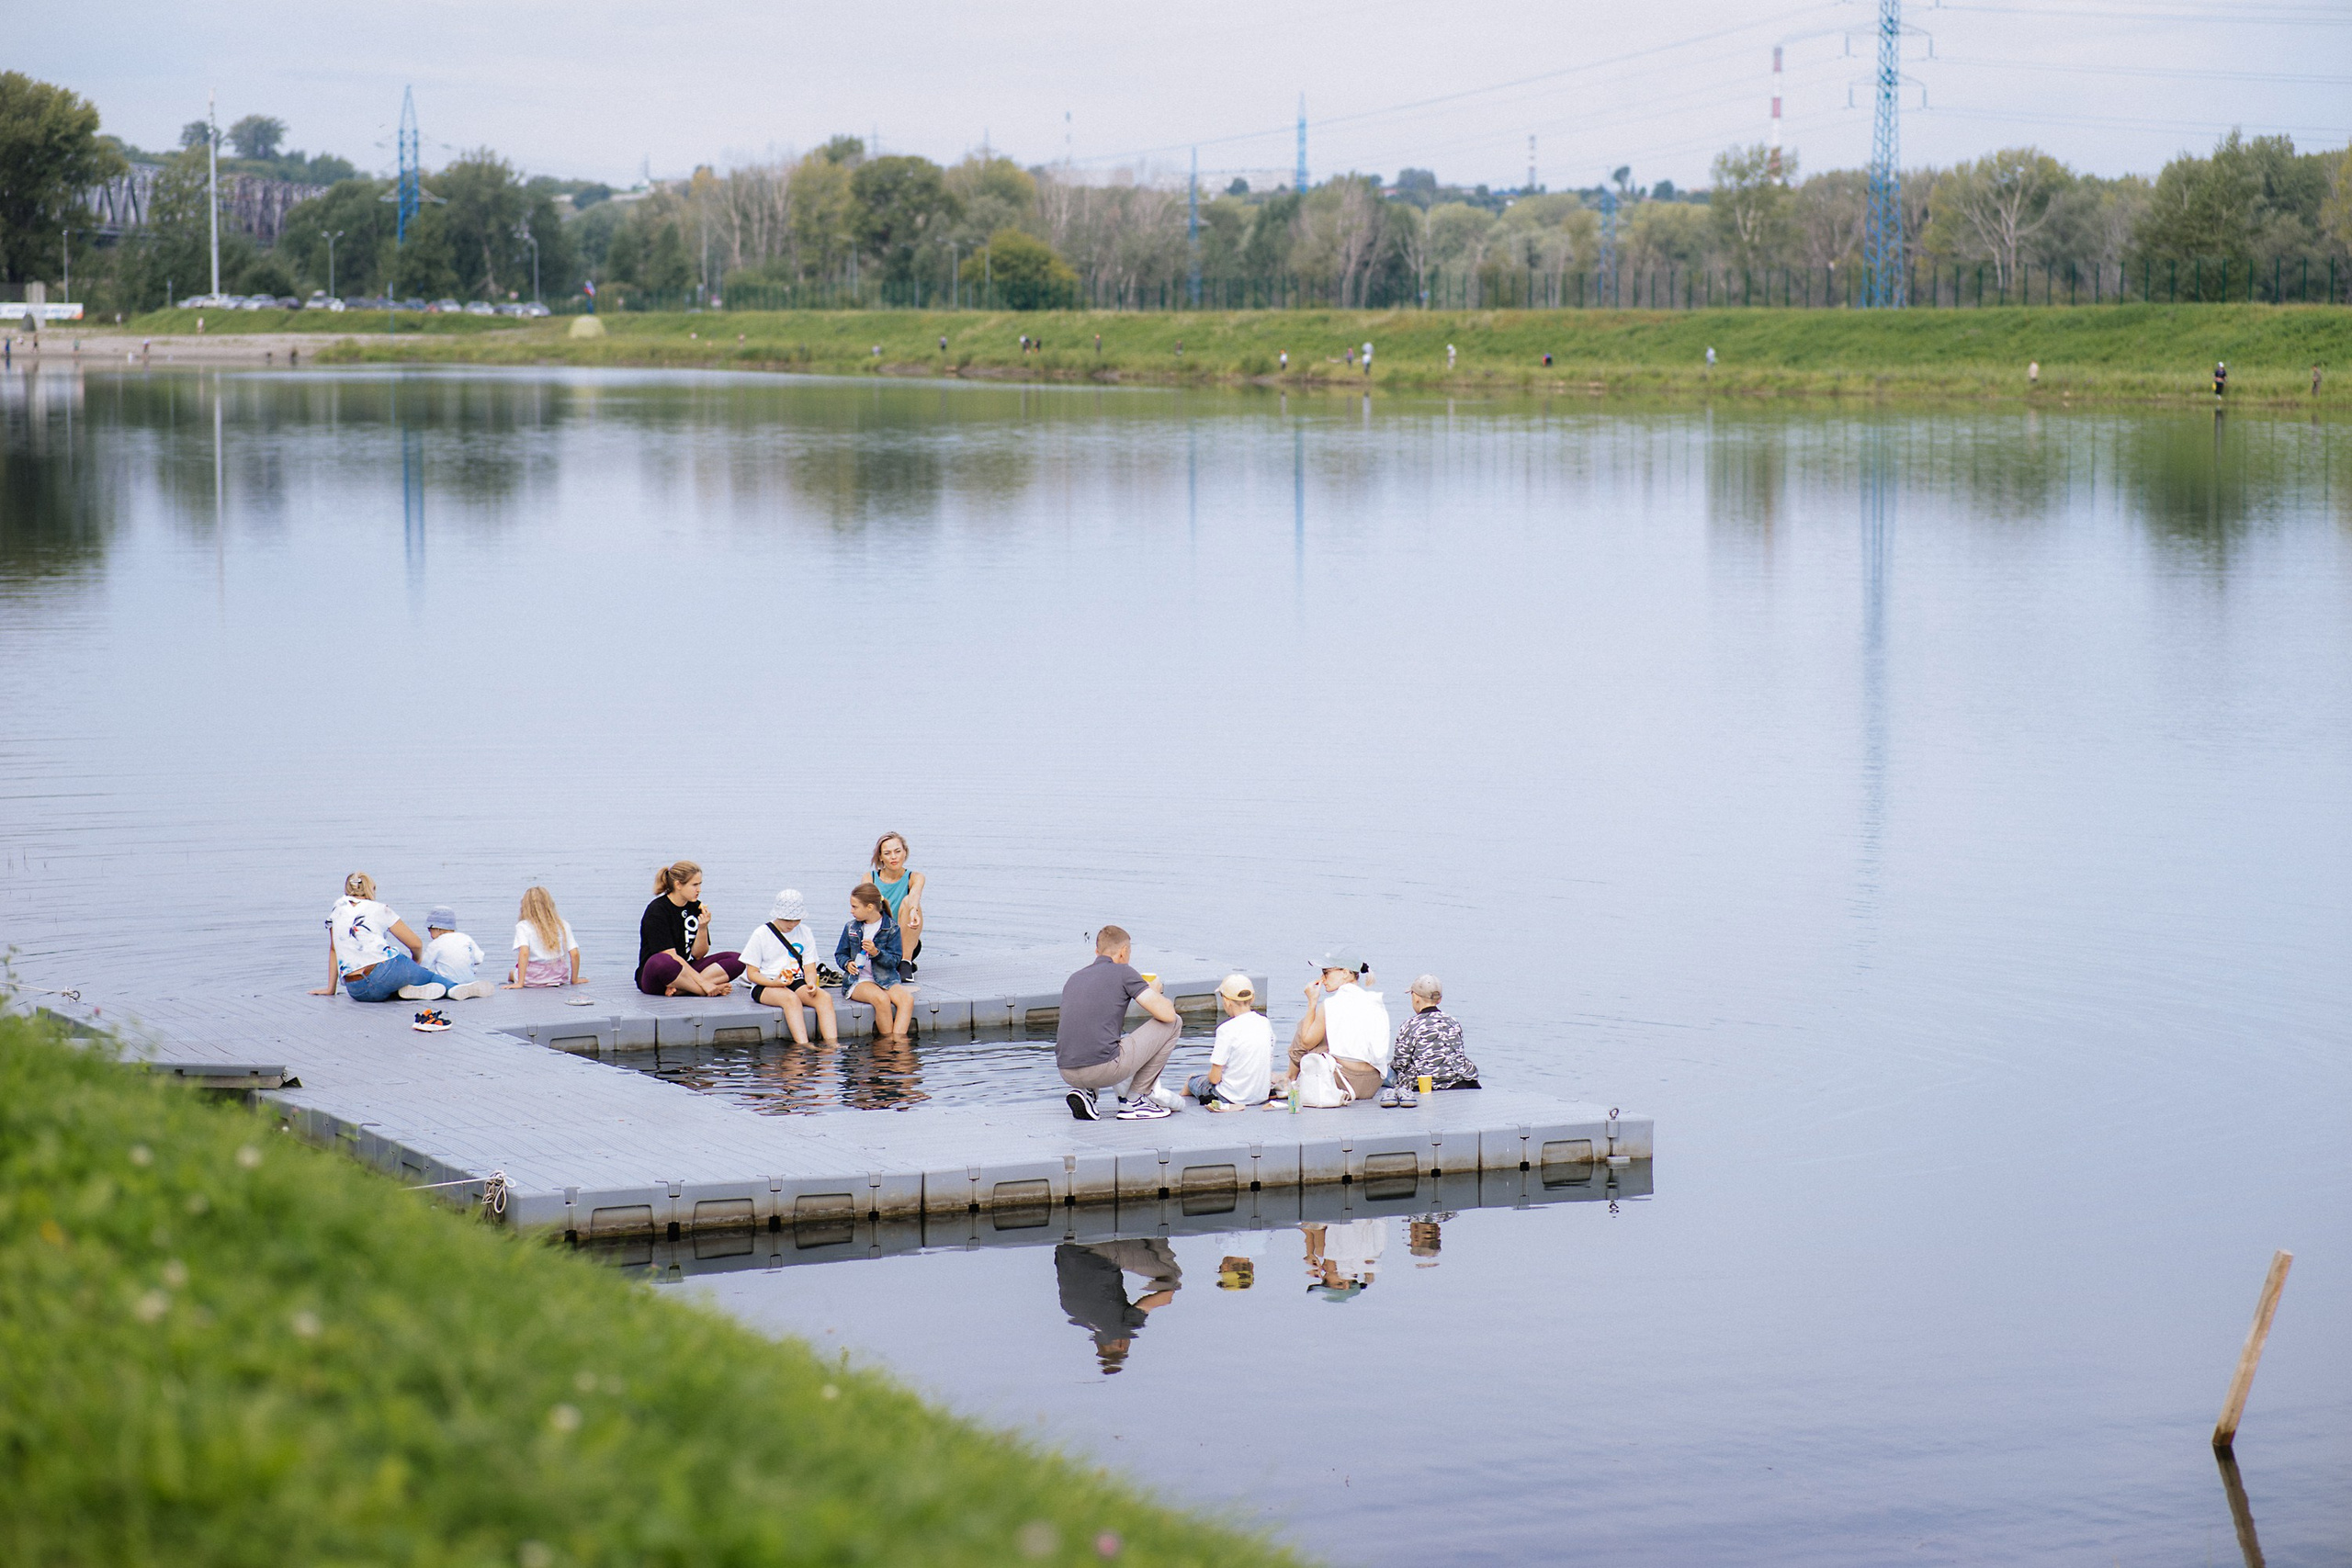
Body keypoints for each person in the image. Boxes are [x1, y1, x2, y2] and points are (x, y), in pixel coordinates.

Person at [1056, 924, 1182, 1121]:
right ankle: (1135, 1100)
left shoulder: (1074, 978)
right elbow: (1167, 1015)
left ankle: (1087, 1094)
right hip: (1104, 1069)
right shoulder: (1124, 972)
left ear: (1097, 951)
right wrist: (1154, 992)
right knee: (1174, 1024)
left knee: (1095, 1030)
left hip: (1066, 1071)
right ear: (1124, 952)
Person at [311, 873, 491, 1003]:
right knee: (428, 977)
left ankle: (410, 991)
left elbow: (334, 949)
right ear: (371, 889)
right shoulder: (379, 909)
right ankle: (454, 989)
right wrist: (415, 963)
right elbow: (415, 943)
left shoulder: (336, 910)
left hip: (357, 990)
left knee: (387, 987)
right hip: (383, 971)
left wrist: (330, 989)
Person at [1278, 947, 1390, 1101]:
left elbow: (1306, 1041)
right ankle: (1289, 1077)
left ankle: (1290, 1079)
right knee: (1319, 1027)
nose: (1322, 979)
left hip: (1345, 1082)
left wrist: (1312, 1002)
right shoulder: (1376, 1001)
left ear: (1345, 973)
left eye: (1326, 972)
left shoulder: (1330, 1005)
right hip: (1373, 1084)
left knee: (1305, 1024)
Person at [1056, 1239, 1181, 1375]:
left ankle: (1155, 1225)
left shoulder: (1121, 1330)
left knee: (1170, 1277)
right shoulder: (1072, 1312)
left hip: (1098, 1250)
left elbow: (1166, 1297)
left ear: (1122, 1345)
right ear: (1098, 1345)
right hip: (1067, 1246)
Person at [743, 889, 839, 1046]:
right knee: (790, 999)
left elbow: (809, 968)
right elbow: (751, 974)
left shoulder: (805, 932)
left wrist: (811, 984)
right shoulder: (761, 934)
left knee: (824, 997)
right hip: (766, 984)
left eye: (796, 920)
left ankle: (832, 1044)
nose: (792, 924)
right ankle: (803, 1044)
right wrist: (775, 983)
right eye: (788, 920)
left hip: (795, 980)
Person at [637, 860, 742, 997]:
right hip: (657, 975)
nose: (699, 890)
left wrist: (702, 928)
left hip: (685, 972)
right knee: (663, 961)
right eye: (694, 885)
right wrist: (704, 984)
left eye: (700, 884)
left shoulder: (695, 906)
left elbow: (698, 955)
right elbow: (671, 956)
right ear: (678, 885)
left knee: (738, 959)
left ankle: (682, 990)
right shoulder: (657, 910)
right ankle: (701, 991)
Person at [835, 882, 914, 1036]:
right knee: (881, 999)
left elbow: (895, 960)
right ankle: (886, 1046)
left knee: (907, 1000)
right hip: (859, 980)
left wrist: (876, 952)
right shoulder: (851, 927)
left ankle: (897, 1044)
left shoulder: (891, 928)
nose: (851, 911)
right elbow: (840, 954)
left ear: (870, 907)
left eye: (855, 907)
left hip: (886, 979)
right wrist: (847, 964)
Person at [1188, 973, 1272, 1111]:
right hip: (1260, 1095)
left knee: (1192, 1081)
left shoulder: (1225, 1030)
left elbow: (1215, 1079)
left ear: (1226, 1001)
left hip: (1231, 1097)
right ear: (1253, 998)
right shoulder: (1265, 1023)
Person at [1386, 973, 1481, 1091]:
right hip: (1458, 1080)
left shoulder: (1410, 1025)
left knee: (1388, 1071)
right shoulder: (1453, 1022)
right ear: (1439, 999)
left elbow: (1400, 1063)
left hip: (1424, 1083)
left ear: (1416, 998)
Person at [868, 832, 926, 975]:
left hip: (906, 943)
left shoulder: (915, 877)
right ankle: (892, 964)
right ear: (880, 857)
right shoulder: (870, 877)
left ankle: (905, 963)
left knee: (909, 901)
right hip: (878, 942)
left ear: (905, 853)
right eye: (887, 853)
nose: (893, 857)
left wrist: (913, 911)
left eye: (898, 852)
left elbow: (915, 895)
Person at [506, 886, 582, 988]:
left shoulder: (523, 926)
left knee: (511, 973)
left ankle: (518, 979)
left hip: (533, 977)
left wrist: (520, 983)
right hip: (557, 976)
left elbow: (524, 953)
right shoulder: (562, 924)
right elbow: (575, 954)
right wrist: (575, 979)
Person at [419, 907, 485, 987]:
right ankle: (470, 986)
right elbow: (479, 959)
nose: (430, 935)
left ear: (437, 929)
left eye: (430, 931)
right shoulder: (466, 938)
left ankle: (447, 989)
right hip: (470, 980)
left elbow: (424, 966)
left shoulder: (435, 944)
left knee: (433, 977)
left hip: (447, 982)